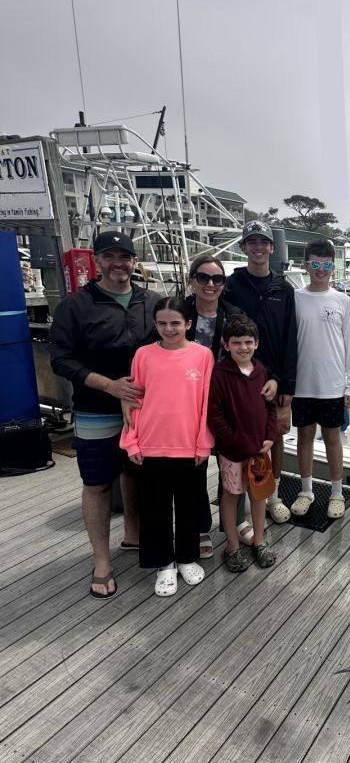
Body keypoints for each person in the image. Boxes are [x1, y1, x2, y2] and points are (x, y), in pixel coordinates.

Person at [50, 231, 161, 599]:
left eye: (125, 256)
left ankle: (133, 534)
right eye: (110, 256)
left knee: (136, 472)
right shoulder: (75, 306)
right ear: (97, 261)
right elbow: (61, 360)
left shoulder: (153, 301)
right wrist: (109, 385)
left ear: (134, 261)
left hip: (144, 410)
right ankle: (101, 560)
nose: (118, 263)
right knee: (97, 484)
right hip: (96, 408)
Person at [120, 297, 214, 597]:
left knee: (189, 506)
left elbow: (206, 403)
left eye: (175, 323)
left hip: (189, 445)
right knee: (155, 509)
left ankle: (187, 556)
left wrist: (203, 444)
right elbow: (133, 402)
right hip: (151, 445)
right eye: (162, 323)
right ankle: (164, 563)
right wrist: (131, 440)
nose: (169, 328)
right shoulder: (143, 355)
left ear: (188, 324)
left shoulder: (203, 355)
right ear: (155, 324)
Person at [223, 220, 297, 524]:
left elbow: (291, 340)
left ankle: (273, 495)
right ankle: (237, 501)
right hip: (236, 377)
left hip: (274, 379)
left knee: (275, 436)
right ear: (244, 247)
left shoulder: (285, 289)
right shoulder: (230, 285)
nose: (258, 247)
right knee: (235, 438)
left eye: (263, 241)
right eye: (251, 242)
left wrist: (286, 384)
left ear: (272, 247)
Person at [290, 239, 350, 520]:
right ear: (306, 265)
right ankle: (306, 490)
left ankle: (337, 493)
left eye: (326, 264)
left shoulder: (342, 300)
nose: (321, 269)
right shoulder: (294, 297)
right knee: (304, 436)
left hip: (332, 384)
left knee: (333, 438)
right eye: (315, 264)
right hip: (301, 384)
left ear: (333, 267)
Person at [207, 314, 278, 571]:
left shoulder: (261, 371)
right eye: (236, 342)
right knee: (231, 495)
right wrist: (237, 443)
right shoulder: (219, 374)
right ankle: (233, 546)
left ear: (257, 343)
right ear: (226, 345)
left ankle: (259, 540)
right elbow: (215, 416)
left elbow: (270, 408)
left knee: (258, 496)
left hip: (260, 449)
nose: (243, 347)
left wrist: (269, 437)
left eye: (248, 342)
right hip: (233, 452)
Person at [183, 254, 242, 556]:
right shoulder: (178, 312)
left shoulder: (233, 315)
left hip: (226, 401)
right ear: (192, 280)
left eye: (217, 279)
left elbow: (249, 352)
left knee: (232, 461)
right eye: (203, 277)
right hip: (188, 402)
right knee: (196, 466)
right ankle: (200, 525)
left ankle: (233, 521)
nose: (210, 284)